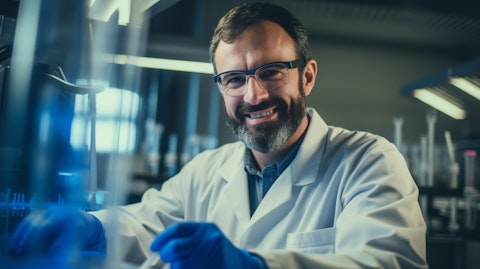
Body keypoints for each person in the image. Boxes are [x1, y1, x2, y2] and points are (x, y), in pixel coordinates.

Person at [10, 2, 428, 269]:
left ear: (308, 75)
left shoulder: (369, 161)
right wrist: (91, 226)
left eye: (270, 72)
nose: (254, 94)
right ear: (221, 87)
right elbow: (149, 223)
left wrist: (254, 265)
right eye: (234, 79)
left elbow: (385, 262)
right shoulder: (208, 170)